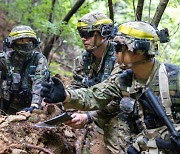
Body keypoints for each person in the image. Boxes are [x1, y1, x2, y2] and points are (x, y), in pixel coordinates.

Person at [41, 21, 180, 153]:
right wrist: (66, 96)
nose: (115, 52)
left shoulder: (174, 77)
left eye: (119, 48)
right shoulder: (124, 80)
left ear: (138, 51)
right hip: (145, 141)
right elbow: (94, 95)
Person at [66, 12, 125, 153]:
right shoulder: (85, 59)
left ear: (104, 34)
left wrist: (89, 117)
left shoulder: (120, 58)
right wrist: (61, 97)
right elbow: (77, 85)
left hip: (118, 115)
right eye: (81, 33)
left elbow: (119, 101)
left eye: (89, 34)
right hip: (93, 108)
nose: (83, 38)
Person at [0, 25, 49, 114]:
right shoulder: (5, 59)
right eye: (22, 40)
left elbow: (39, 82)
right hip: (6, 105)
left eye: (29, 40)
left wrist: (34, 105)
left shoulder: (39, 59)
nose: (26, 43)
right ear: (13, 43)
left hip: (30, 107)